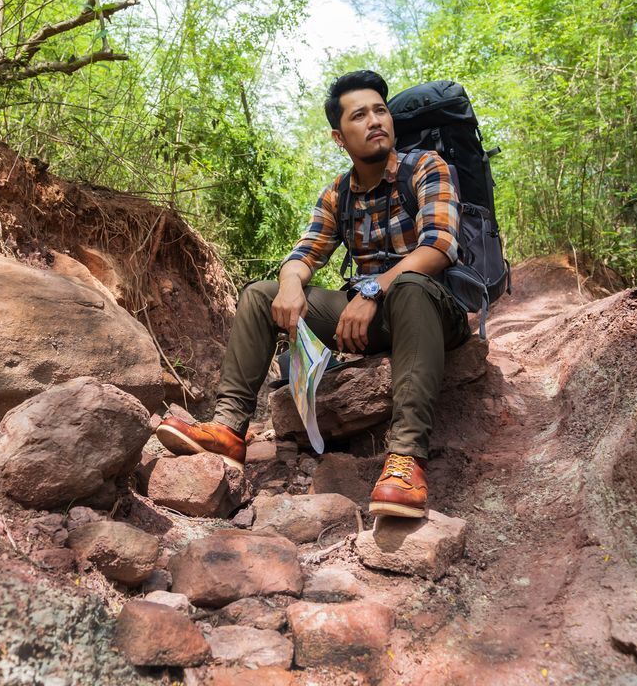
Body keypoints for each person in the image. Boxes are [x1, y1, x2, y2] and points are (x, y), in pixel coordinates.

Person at [155, 70, 470, 518]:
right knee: (260, 295)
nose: (375, 120)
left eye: (380, 109)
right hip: (373, 317)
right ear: (340, 137)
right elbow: (305, 252)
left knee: (413, 286)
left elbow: (438, 246)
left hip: (432, 309)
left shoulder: (426, 168)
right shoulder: (338, 194)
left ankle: (405, 460)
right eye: (359, 115)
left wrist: (373, 290)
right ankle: (228, 428)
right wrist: (289, 284)